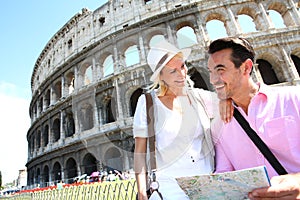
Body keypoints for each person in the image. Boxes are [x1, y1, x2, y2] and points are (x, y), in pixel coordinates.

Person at [134, 40, 232, 200]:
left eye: (182, 66)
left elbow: (231, 97)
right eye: (173, 71)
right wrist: (141, 190)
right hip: (168, 188)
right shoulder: (147, 103)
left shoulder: (199, 96)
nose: (182, 74)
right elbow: (140, 152)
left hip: (205, 184)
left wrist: (225, 99)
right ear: (161, 76)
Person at [207, 36, 300, 199]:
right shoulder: (219, 125)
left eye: (220, 70)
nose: (213, 80)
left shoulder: (294, 99)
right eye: (211, 72)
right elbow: (224, 174)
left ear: (246, 68)